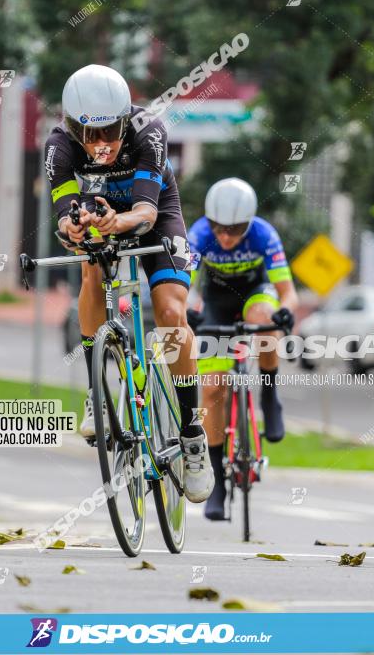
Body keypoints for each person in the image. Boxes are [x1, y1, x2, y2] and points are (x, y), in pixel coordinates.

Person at [44, 64, 214, 504]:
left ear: (125, 118)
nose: (100, 145)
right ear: (71, 127)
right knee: (90, 269)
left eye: (110, 132)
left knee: (172, 314)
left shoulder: (147, 132)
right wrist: (74, 230)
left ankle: (193, 434)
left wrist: (119, 221)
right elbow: (64, 218)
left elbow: (146, 214)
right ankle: (97, 392)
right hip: (101, 218)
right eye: (89, 134)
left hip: (152, 215)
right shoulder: (59, 147)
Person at [187, 177, 298, 520]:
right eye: (219, 228)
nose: (225, 236)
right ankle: (217, 481)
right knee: (213, 388)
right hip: (217, 304)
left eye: (234, 230)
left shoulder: (264, 234)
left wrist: (285, 313)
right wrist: (188, 312)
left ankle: (269, 394)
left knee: (265, 319)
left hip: (256, 293)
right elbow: (185, 288)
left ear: (248, 223)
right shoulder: (199, 234)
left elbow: (288, 292)